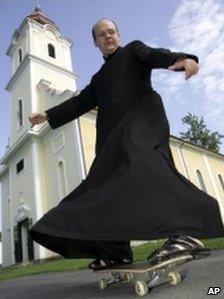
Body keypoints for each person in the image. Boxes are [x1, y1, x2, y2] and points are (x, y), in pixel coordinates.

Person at [29, 19, 224, 270]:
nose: (108, 36)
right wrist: (47, 114)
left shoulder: (133, 50)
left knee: (142, 159)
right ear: (95, 42)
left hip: (143, 117)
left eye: (111, 32)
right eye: (102, 35)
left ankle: (185, 232)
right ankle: (116, 251)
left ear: (118, 35)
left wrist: (182, 58)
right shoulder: (98, 79)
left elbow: (154, 55)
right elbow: (78, 103)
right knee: (102, 183)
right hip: (113, 135)